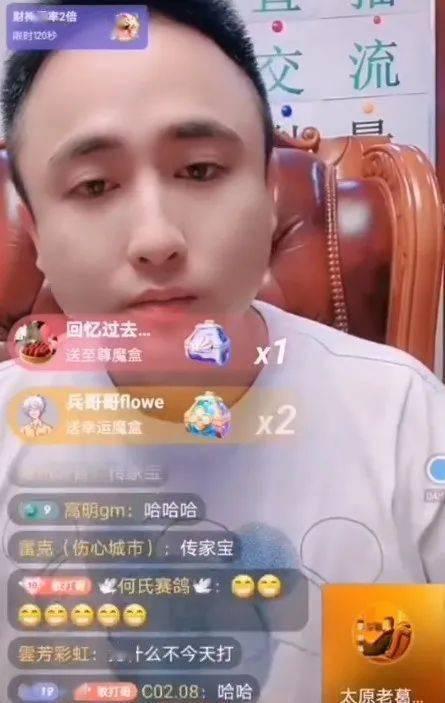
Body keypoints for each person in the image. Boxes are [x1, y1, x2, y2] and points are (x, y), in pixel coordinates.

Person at [0, 1, 445, 701]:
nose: (156, 238)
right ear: (35, 231)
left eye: (201, 170)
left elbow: (399, 681)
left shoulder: (400, 424)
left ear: (269, 193)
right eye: (94, 185)